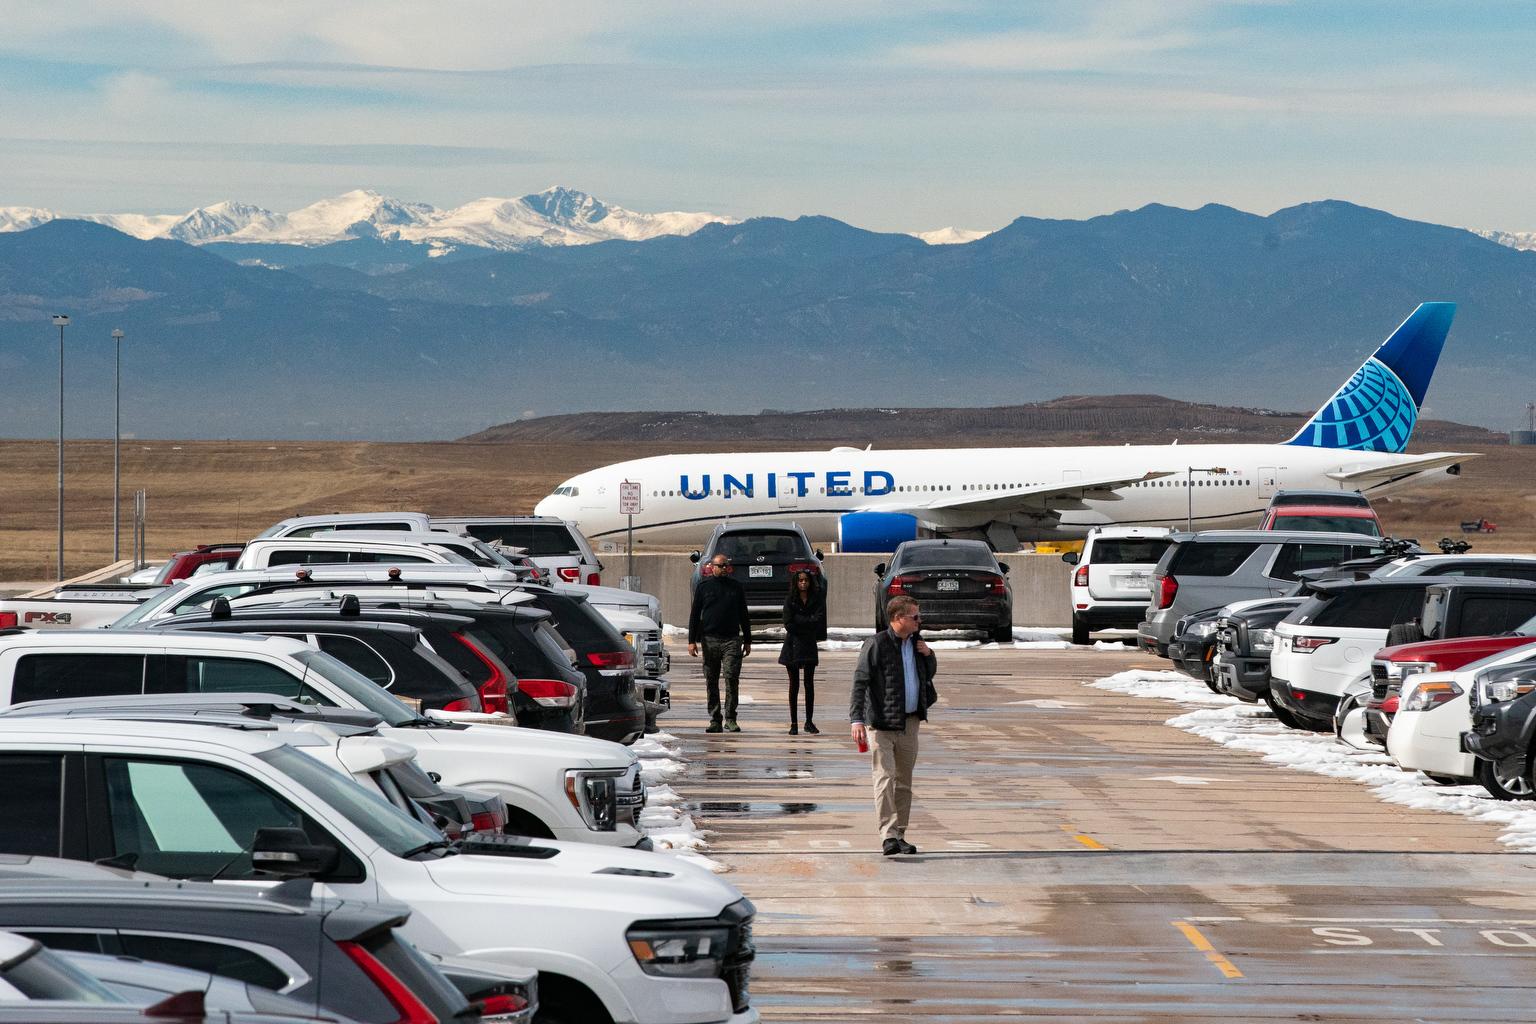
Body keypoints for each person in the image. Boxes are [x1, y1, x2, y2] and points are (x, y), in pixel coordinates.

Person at [849, 595, 937, 856]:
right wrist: (856, 719)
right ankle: (887, 835)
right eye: (915, 617)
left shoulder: (918, 645)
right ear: (899, 618)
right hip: (881, 723)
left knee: (904, 782)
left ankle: (900, 834)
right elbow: (860, 681)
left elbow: (928, 675)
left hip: (910, 722)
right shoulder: (877, 644)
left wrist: (929, 655)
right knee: (885, 778)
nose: (919, 621)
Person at [688, 553, 752, 733]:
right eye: (720, 566)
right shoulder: (704, 587)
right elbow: (695, 615)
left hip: (731, 639)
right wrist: (691, 640)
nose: (724, 569)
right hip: (710, 640)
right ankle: (715, 718)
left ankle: (731, 717)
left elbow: (743, 614)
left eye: (726, 566)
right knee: (711, 680)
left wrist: (747, 639)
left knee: (731, 678)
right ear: (712, 567)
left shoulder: (736, 587)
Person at [779, 569, 827, 735]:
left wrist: (802, 622)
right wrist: (806, 621)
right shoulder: (790, 600)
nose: (803, 583)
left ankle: (809, 721)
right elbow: (788, 623)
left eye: (806, 580)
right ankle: (794, 722)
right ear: (796, 583)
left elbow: (818, 619)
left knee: (809, 684)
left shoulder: (816, 599)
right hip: (793, 644)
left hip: (809, 644)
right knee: (794, 685)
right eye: (800, 581)